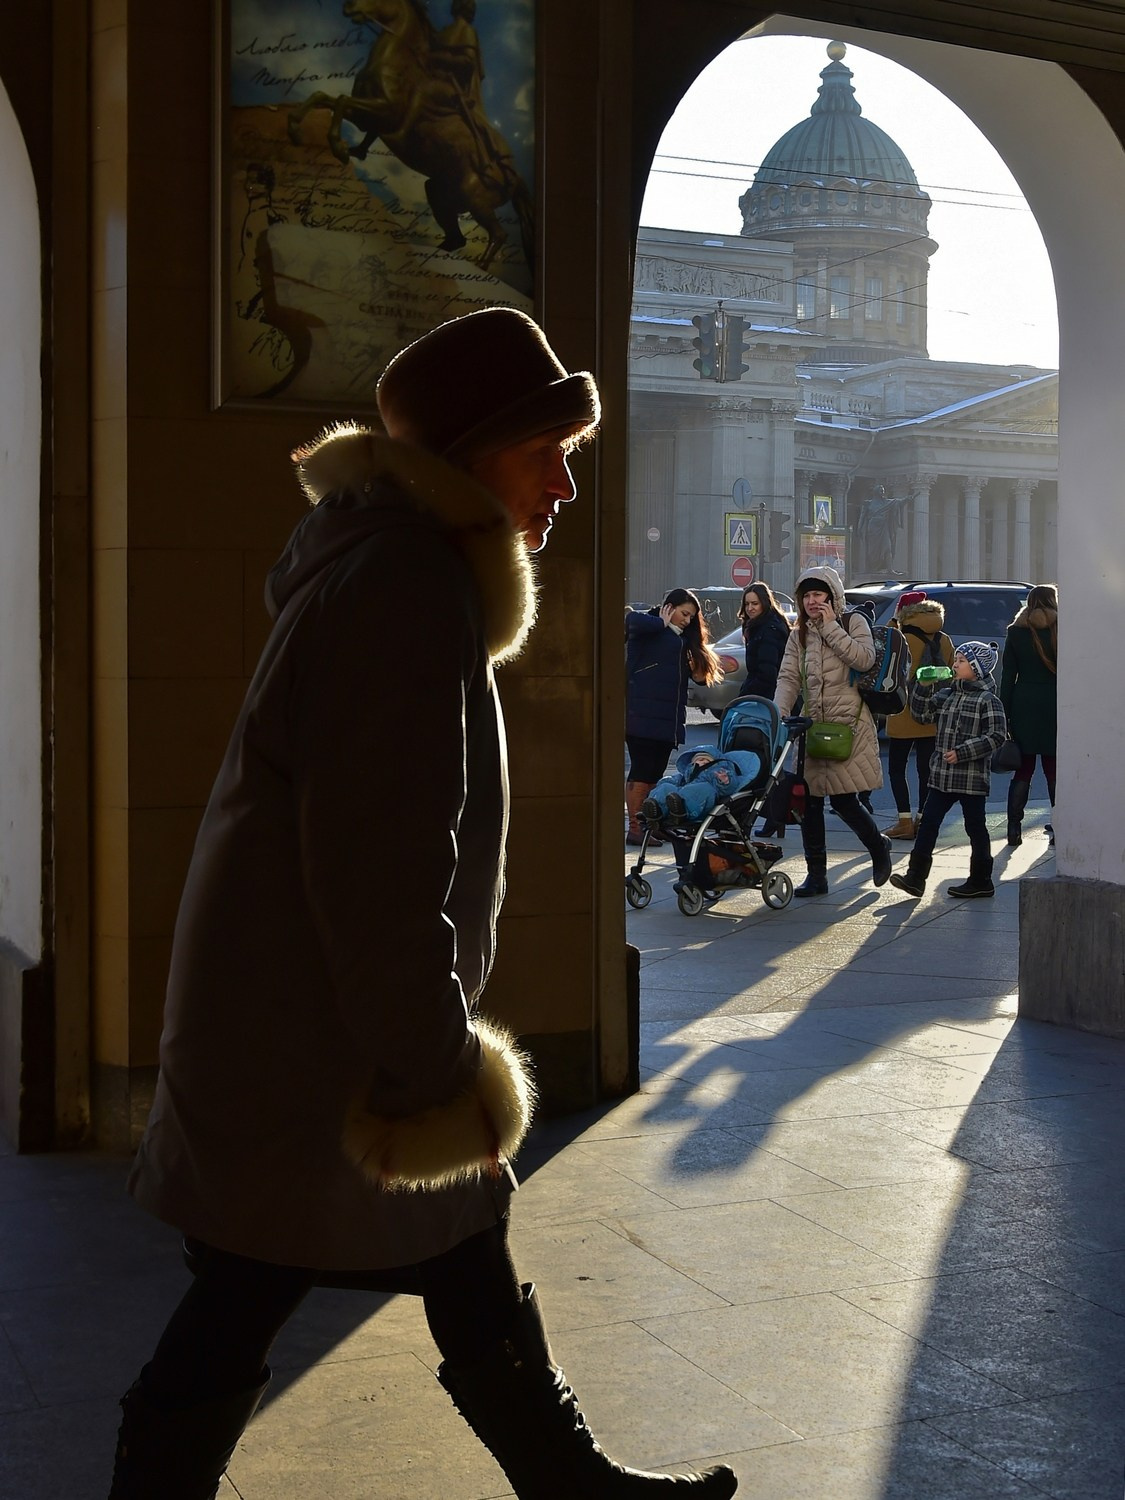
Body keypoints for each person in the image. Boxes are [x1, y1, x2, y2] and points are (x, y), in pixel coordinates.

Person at [108, 308, 737, 1500]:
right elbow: (376, 862)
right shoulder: (406, 587)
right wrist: (428, 1056)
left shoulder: (396, 567)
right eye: (544, 448)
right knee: (260, 1283)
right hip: (322, 1035)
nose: (564, 480)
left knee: (369, 1260)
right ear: (467, 451)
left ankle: (570, 1482)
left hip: (302, 1022)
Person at [773, 565, 892, 895]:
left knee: (844, 801)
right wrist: (777, 715)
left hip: (849, 726)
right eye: (806, 595)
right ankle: (817, 875)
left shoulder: (853, 622)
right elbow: (788, 679)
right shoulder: (799, 632)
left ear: (832, 596)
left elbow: (864, 659)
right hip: (812, 728)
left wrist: (829, 628)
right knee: (808, 802)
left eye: (818, 594)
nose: (812, 601)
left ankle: (879, 848)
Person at [889, 641, 1008, 900]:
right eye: (956, 659)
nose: (954, 664)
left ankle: (981, 880)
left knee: (975, 827)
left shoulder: (988, 700)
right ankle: (915, 877)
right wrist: (922, 686)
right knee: (928, 824)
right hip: (942, 776)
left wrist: (964, 751)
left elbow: (997, 735)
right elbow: (921, 715)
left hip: (971, 779)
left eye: (962, 661)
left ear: (977, 668)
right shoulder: (949, 694)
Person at [624, 588, 722, 847]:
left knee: (654, 774)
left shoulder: (680, 640)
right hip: (642, 717)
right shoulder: (649, 627)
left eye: (691, 616)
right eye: (684, 613)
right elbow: (630, 620)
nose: (687, 620)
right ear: (669, 607)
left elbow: (698, 677)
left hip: (667, 720)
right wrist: (661, 621)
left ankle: (648, 825)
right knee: (641, 772)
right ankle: (636, 828)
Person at [884, 590, 956, 839]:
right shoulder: (944, 638)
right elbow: (951, 673)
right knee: (926, 770)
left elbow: (886, 664)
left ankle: (904, 822)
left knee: (896, 768)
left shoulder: (900, 636)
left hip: (902, 710)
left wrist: (894, 623)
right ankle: (923, 820)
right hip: (932, 712)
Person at [1000, 583, 1058, 847]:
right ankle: (1061, 825)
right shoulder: (1062, 629)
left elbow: (1008, 675)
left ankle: (1013, 828)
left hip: (1024, 703)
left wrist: (1005, 710)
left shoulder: (1016, 631)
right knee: (1054, 769)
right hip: (1055, 702)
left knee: (1023, 769)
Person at [641, 746, 762, 825]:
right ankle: (656, 810)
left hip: (703, 800)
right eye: (699, 760)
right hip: (680, 793)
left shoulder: (719, 771)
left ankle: (682, 811)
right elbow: (676, 779)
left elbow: (729, 789)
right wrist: (664, 782)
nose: (702, 762)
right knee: (666, 787)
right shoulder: (688, 773)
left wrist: (724, 781)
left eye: (706, 760)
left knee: (702, 789)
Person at [736, 581, 791, 699]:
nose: (750, 608)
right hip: (766, 695)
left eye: (755, 603)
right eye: (747, 604)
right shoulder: (756, 627)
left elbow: (767, 674)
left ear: (764, 603)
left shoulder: (769, 630)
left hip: (768, 698)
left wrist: (745, 695)